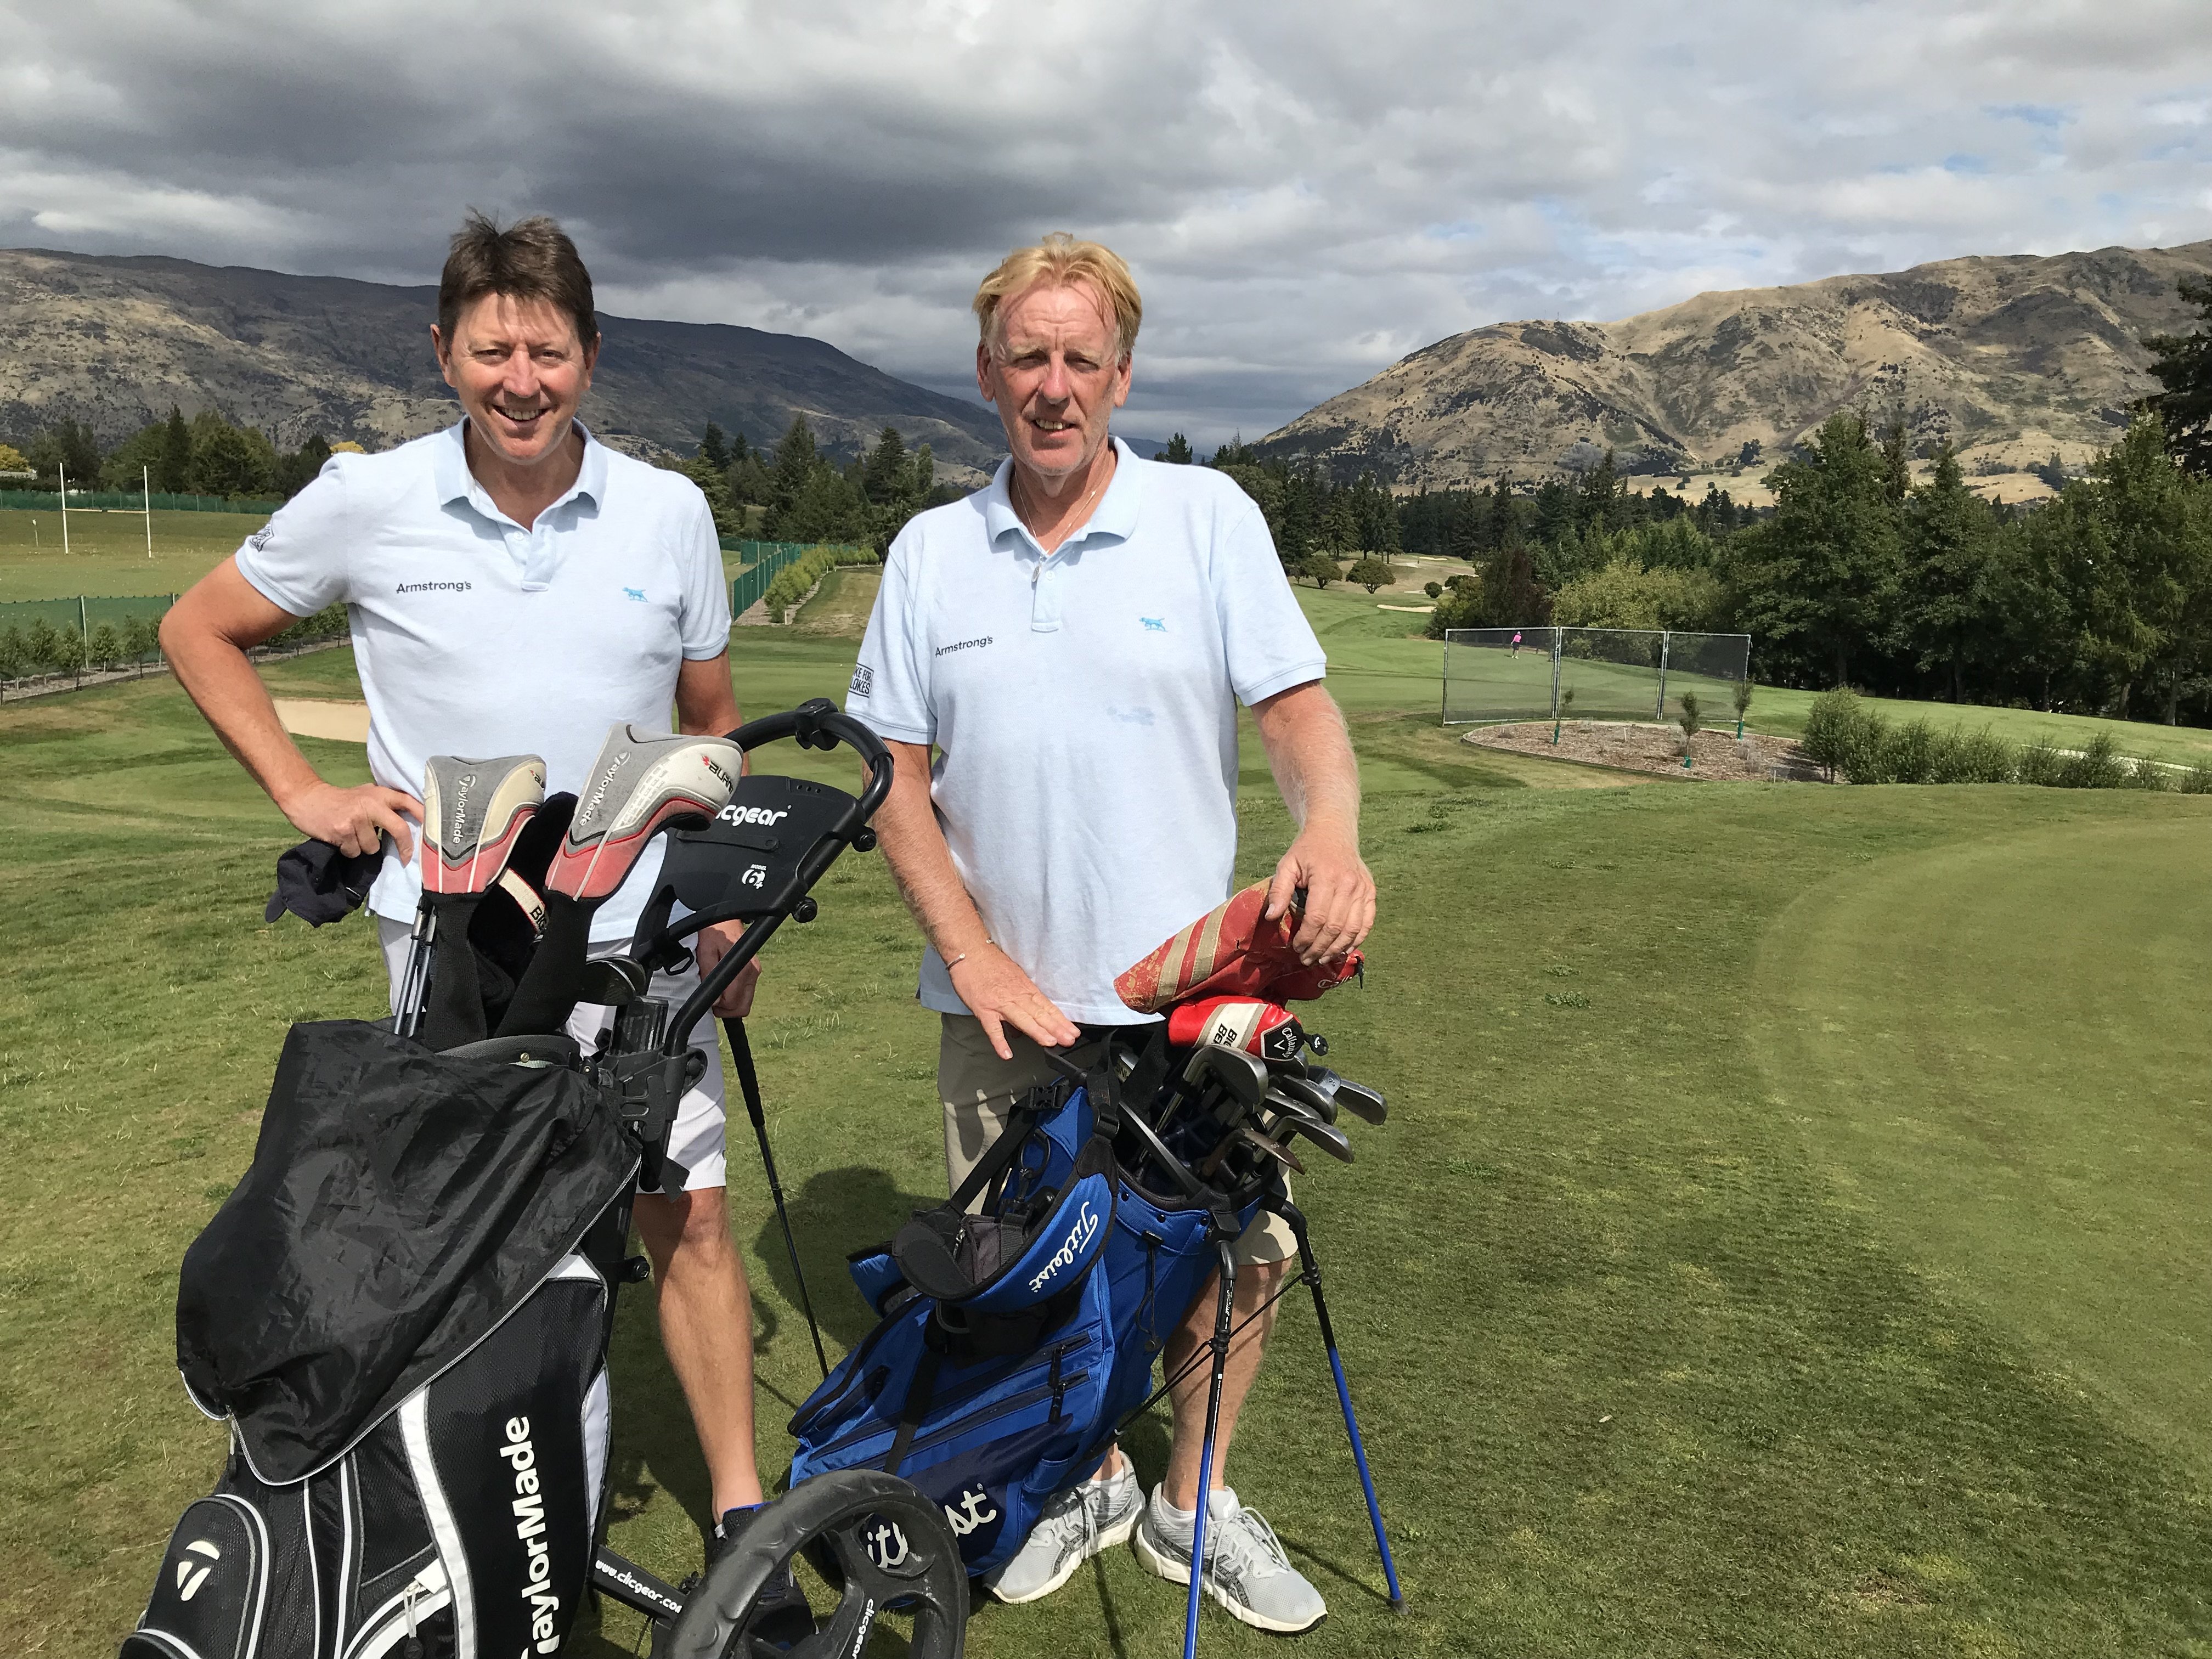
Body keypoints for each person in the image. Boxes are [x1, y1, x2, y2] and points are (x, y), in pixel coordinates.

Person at [160, 212, 806, 1627]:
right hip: (448, 938)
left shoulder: (668, 514)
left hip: (637, 940)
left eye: (551, 349)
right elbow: (198, 628)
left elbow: (711, 732)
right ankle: (480, 1536)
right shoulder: (366, 497)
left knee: (688, 1219)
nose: (523, 378)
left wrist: (712, 920)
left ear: (590, 354)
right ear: (444, 352)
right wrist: (305, 793)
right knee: (459, 1240)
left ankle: (745, 1527)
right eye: (494, 348)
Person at [848, 233, 1374, 1634]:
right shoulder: (929, 553)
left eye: (1083, 358)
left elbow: (1298, 711)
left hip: (1195, 997)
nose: (1056, 385)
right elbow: (891, 778)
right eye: (1030, 356)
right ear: (986, 373)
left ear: (1123, 373)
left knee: (1229, 1261)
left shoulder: (1208, 518)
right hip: (1004, 1001)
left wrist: (1327, 830)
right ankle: (1073, 1477)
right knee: (1018, 1279)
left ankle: (1192, 1502)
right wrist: (971, 955)